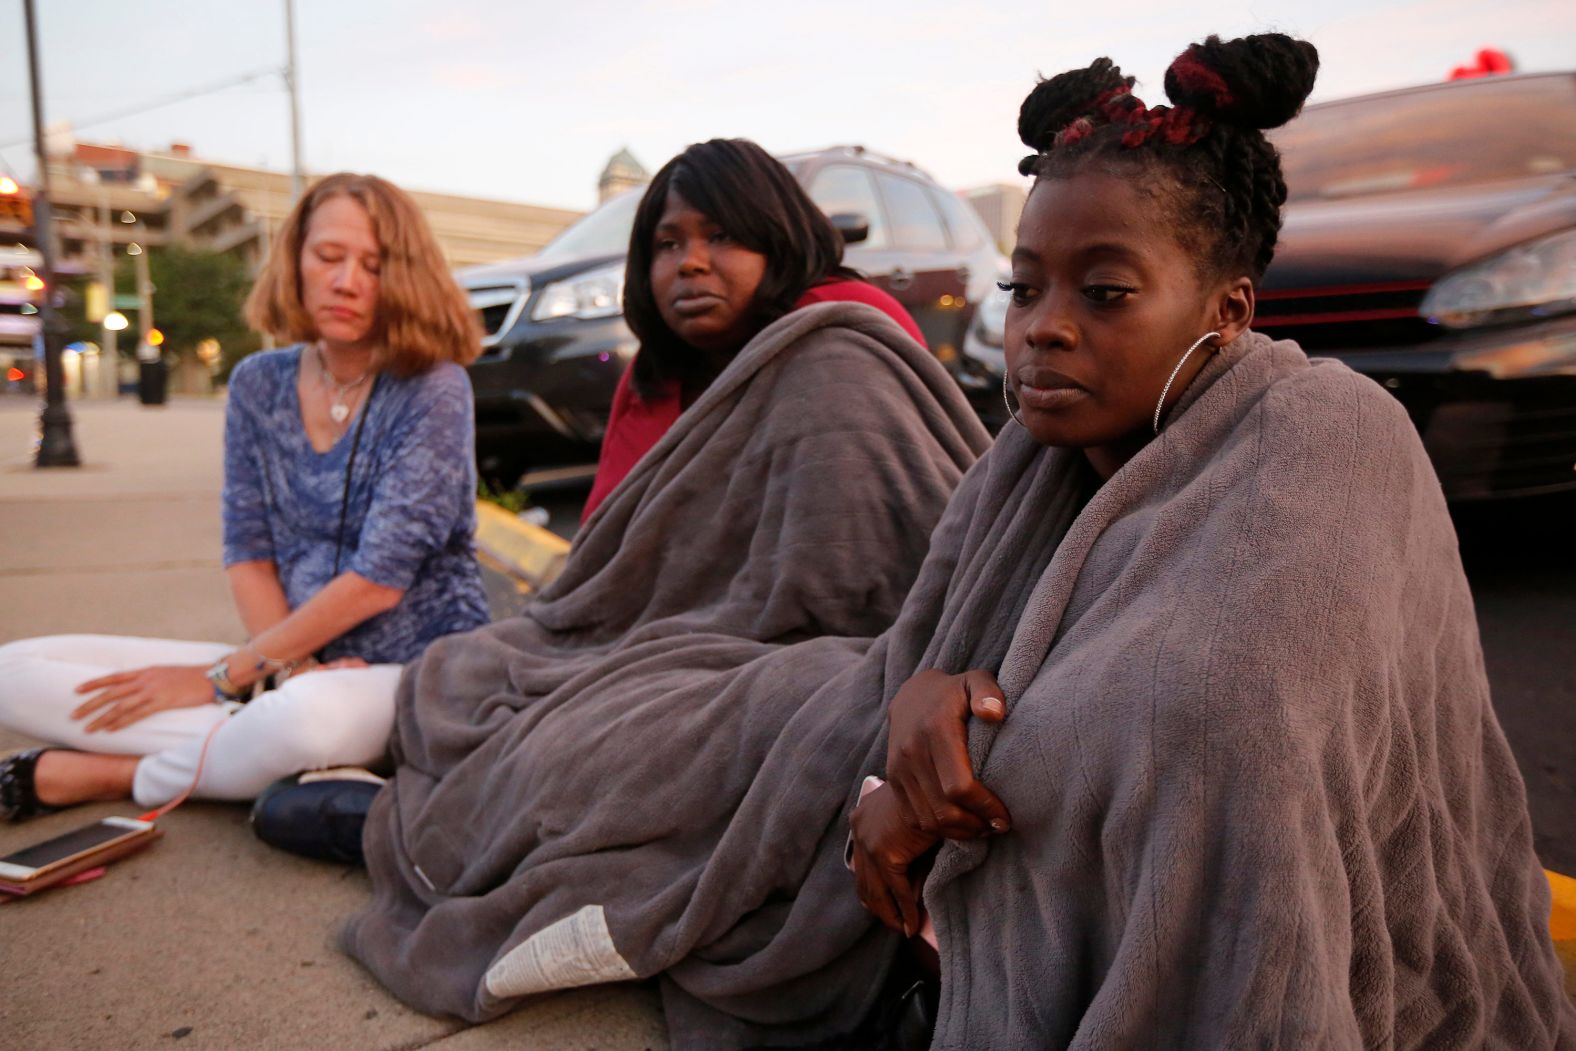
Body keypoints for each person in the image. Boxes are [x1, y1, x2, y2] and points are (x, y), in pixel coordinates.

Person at [848, 34, 1576, 1046]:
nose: (1043, 329)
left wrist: (952, 755)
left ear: (1227, 309)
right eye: (1025, 288)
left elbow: (1220, 727)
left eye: (1103, 292)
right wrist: (910, 716)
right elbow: (928, 658)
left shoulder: (1331, 430)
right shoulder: (1028, 467)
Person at [339, 139, 990, 1047]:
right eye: (666, 242)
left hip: (830, 650)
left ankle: (367, 818)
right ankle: (377, 810)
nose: (689, 261)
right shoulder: (658, 373)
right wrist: (609, 647)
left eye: (721, 235)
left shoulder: (841, 344)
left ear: (781, 238)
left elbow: (869, 562)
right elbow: (609, 565)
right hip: (665, 640)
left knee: (718, 730)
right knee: (514, 691)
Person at [0, 173, 490, 820]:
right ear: (295, 258)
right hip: (289, 663)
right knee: (15, 671)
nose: (346, 281)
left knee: (306, 721)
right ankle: (256, 754)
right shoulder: (259, 383)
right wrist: (284, 668)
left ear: (404, 277)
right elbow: (250, 552)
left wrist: (227, 678)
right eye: (328, 256)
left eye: (373, 265)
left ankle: (121, 774)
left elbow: (380, 579)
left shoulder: (434, 388)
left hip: (416, 669)